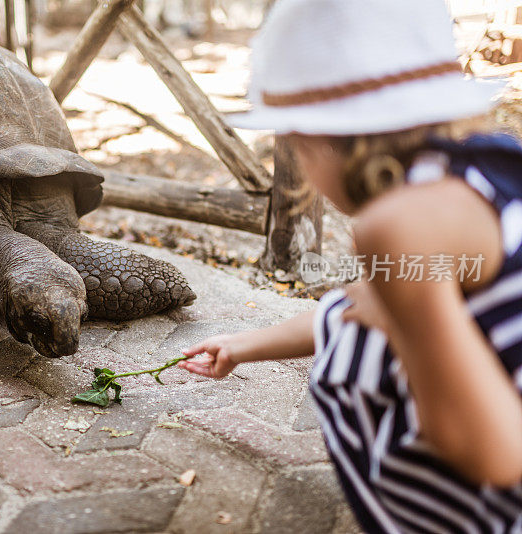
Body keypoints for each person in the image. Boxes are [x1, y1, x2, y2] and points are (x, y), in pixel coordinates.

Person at [178, 0, 522, 531]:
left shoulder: (400, 229)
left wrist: (398, 325)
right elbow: (357, 307)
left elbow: (497, 454)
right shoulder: (481, 171)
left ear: (318, 141)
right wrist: (243, 347)